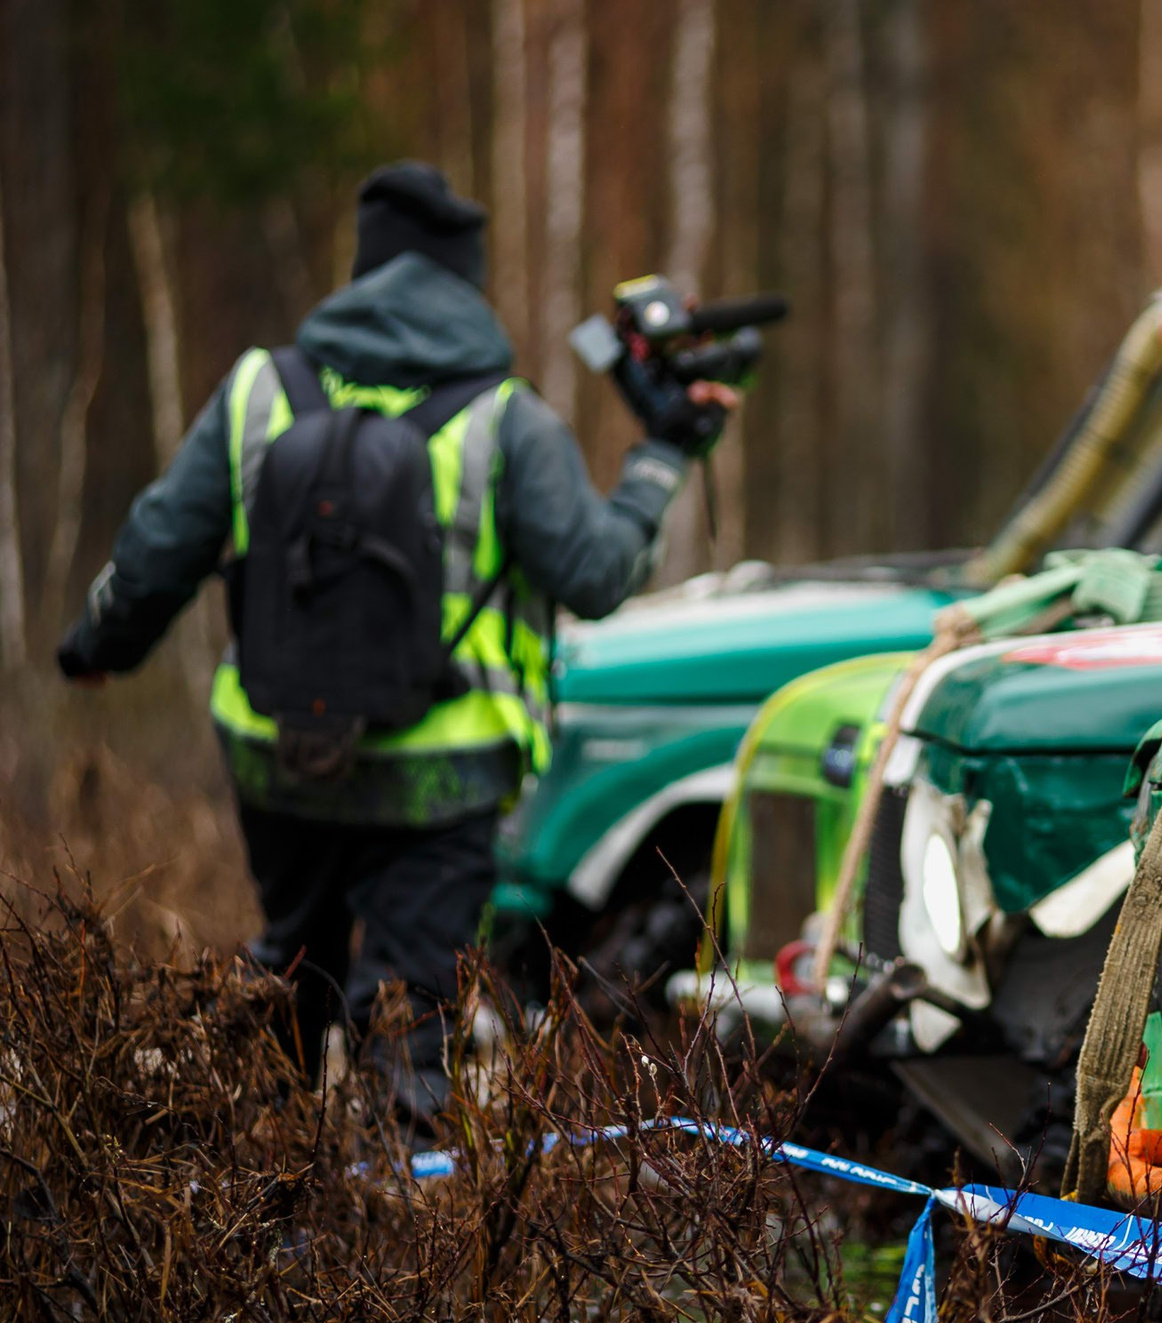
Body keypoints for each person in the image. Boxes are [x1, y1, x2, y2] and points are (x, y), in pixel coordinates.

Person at [55, 161, 737, 1132]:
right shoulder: (506, 417)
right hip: (444, 775)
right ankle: (393, 1195)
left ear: (362, 271)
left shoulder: (257, 391)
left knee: (293, 963)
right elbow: (596, 575)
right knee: (409, 1007)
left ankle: (262, 1178)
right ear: (466, 282)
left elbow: (155, 551)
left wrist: (95, 645)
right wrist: (663, 453)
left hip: (277, 758)